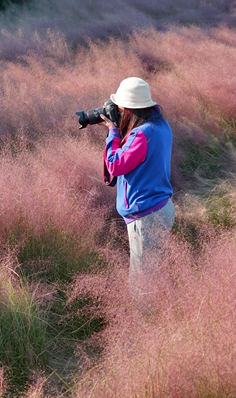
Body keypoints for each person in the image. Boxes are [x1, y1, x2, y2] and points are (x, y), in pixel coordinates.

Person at [99, 77, 175, 314]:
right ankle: (159, 319)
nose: (118, 113)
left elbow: (115, 165)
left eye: (120, 109)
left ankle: (144, 333)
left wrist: (112, 132)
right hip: (160, 208)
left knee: (141, 284)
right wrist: (119, 130)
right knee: (152, 274)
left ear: (129, 109)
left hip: (146, 217)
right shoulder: (159, 126)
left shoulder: (141, 135)